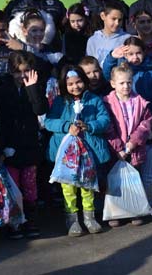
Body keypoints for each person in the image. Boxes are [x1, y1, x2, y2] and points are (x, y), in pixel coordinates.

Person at [44, 65, 110, 236]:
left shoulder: (94, 100)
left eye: (79, 82)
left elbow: (105, 120)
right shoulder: (60, 102)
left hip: (88, 153)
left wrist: (89, 126)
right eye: (70, 84)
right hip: (68, 156)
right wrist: (67, 126)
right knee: (68, 187)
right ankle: (72, 218)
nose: (75, 87)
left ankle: (89, 216)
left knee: (88, 185)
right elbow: (49, 122)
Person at [0, 52, 48, 239]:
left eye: (26, 71)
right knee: (13, 186)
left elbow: (40, 109)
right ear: (11, 71)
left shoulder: (35, 86)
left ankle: (29, 220)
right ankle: (14, 222)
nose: (22, 75)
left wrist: (32, 88)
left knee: (29, 187)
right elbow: (0, 119)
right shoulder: (2, 87)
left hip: (29, 146)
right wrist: (1, 148)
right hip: (10, 146)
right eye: (18, 72)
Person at [103, 62, 152, 227]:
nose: (126, 86)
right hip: (115, 151)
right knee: (115, 183)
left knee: (133, 181)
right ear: (113, 84)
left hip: (134, 150)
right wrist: (118, 147)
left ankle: (134, 210)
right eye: (121, 83)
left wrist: (132, 143)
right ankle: (115, 212)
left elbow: (146, 123)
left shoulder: (139, 101)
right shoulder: (107, 103)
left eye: (129, 82)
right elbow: (108, 127)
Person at [103, 37, 152, 137]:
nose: (135, 57)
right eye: (131, 54)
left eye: (138, 53)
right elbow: (107, 75)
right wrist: (112, 57)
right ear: (125, 54)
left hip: (144, 119)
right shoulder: (121, 67)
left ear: (144, 52)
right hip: (122, 118)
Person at [85, 1, 131, 69]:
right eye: (113, 19)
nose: (117, 23)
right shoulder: (93, 40)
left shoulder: (127, 39)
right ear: (103, 16)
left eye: (120, 20)